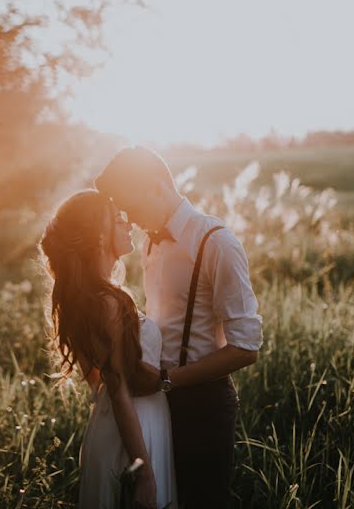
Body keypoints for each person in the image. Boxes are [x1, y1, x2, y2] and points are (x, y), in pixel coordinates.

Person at [95, 146, 263, 509]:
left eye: (132, 205)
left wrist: (168, 379)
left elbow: (246, 347)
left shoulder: (216, 242)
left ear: (157, 186)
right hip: (156, 398)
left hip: (202, 402)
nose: (132, 219)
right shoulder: (148, 242)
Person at [40, 190, 177, 509]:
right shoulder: (111, 303)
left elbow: (97, 379)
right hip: (135, 434)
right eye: (118, 219)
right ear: (99, 235)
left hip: (113, 425)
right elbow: (117, 390)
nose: (128, 224)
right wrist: (142, 470)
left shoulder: (87, 297)